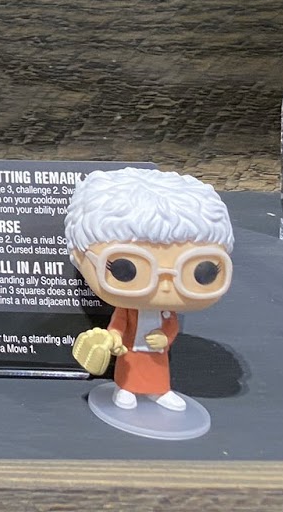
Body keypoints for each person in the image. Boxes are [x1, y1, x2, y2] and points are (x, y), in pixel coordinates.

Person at [65, 168, 234, 413]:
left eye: (202, 272)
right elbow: (118, 325)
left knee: (158, 371)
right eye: (126, 269)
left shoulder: (165, 313)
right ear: (79, 256)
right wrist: (113, 339)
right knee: (130, 368)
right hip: (131, 352)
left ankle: (160, 391)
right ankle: (125, 388)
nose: (164, 286)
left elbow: (171, 326)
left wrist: (166, 338)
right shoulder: (128, 309)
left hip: (157, 352)